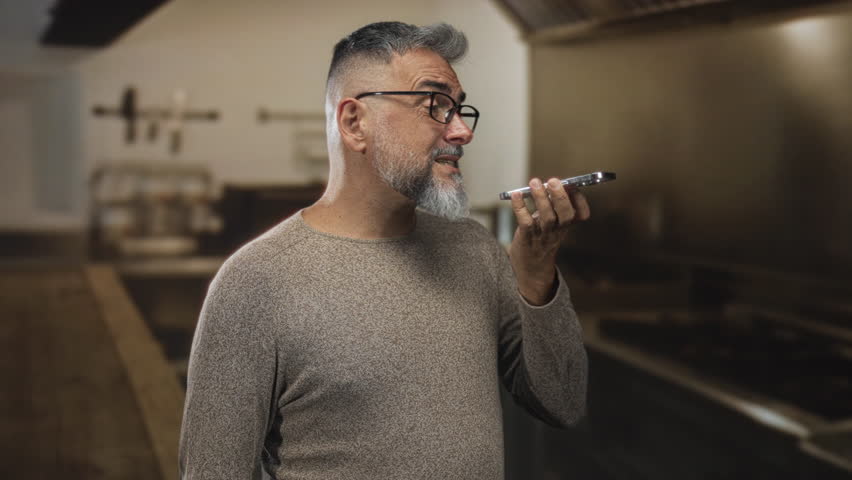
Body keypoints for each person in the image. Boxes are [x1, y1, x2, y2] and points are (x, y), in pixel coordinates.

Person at [179, 21, 589, 480]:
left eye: (459, 109)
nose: (461, 132)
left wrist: (536, 279)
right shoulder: (255, 281)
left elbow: (563, 402)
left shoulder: (474, 251)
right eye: (435, 105)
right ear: (355, 123)